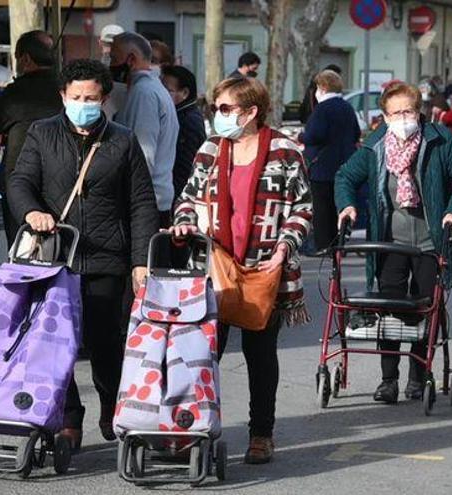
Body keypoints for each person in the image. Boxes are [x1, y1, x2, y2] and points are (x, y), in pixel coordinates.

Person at [8, 59, 160, 451]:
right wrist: (31, 211)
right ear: (63, 95)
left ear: (105, 98)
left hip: (107, 256)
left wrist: (140, 261)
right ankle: (69, 418)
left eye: (91, 98)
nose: (83, 103)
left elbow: (142, 203)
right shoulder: (42, 134)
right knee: (55, 341)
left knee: (105, 342)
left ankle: (111, 400)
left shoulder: (122, 141)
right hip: (56, 256)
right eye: (75, 97)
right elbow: (20, 181)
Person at [172, 77, 312, 464]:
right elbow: (188, 196)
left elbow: (303, 208)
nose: (217, 116)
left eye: (225, 109)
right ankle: (193, 428)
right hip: (213, 266)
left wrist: (285, 246)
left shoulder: (284, 151)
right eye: (215, 108)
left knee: (260, 354)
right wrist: (184, 223)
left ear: (251, 112)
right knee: (203, 353)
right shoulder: (211, 148)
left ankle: (261, 434)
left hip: (264, 269)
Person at [334, 82, 452, 404]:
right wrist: (347, 205)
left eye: (409, 111)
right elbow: (345, 176)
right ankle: (389, 379)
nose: (403, 118)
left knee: (426, 308)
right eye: (396, 112)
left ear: (420, 112)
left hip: (430, 240)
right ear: (384, 117)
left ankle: (418, 374)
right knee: (390, 311)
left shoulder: (440, 141)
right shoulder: (375, 147)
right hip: (390, 241)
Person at [0, 30, 62, 242]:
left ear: (25, 59)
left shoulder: (18, 92)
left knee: (20, 249)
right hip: (61, 179)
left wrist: (4, 135)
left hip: (20, 181)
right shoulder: (66, 87)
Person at [111, 32, 179, 226]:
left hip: (145, 204)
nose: (111, 64)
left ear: (131, 60)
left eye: (114, 58)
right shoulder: (151, 89)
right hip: (152, 200)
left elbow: (142, 154)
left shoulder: (144, 93)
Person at [300, 69, 360, 252]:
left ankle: (323, 245)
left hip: (322, 166)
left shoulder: (322, 109)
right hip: (344, 164)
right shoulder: (347, 106)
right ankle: (338, 241)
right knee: (338, 205)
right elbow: (356, 133)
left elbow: (314, 135)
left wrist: (302, 136)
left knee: (321, 208)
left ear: (323, 87)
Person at [161, 65, 207, 203]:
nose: (161, 94)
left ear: (184, 93)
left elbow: (184, 167)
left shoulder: (187, 121)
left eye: (167, 90)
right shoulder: (176, 114)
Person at [99, 24, 126, 118]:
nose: (110, 50)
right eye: (107, 44)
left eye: (115, 45)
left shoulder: (129, 71)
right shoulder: (96, 69)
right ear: (100, 43)